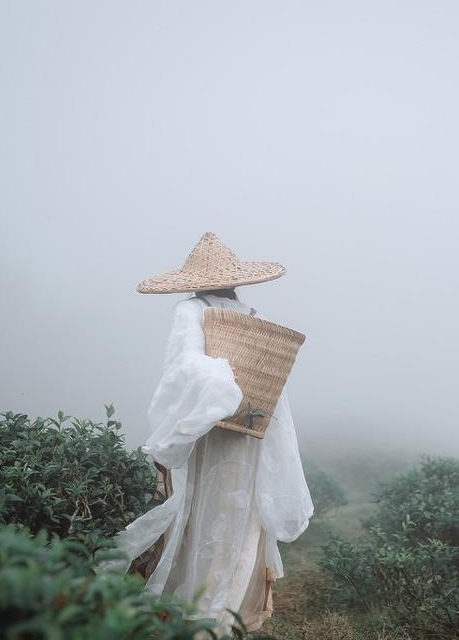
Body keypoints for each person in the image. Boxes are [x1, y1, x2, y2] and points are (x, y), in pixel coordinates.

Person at [97, 232, 313, 632]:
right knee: (240, 509)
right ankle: (230, 611)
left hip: (210, 428)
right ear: (236, 280)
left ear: (193, 281)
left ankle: (197, 608)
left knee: (203, 506)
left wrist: (216, 390)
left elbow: (184, 368)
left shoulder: (191, 310)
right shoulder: (249, 314)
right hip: (248, 430)